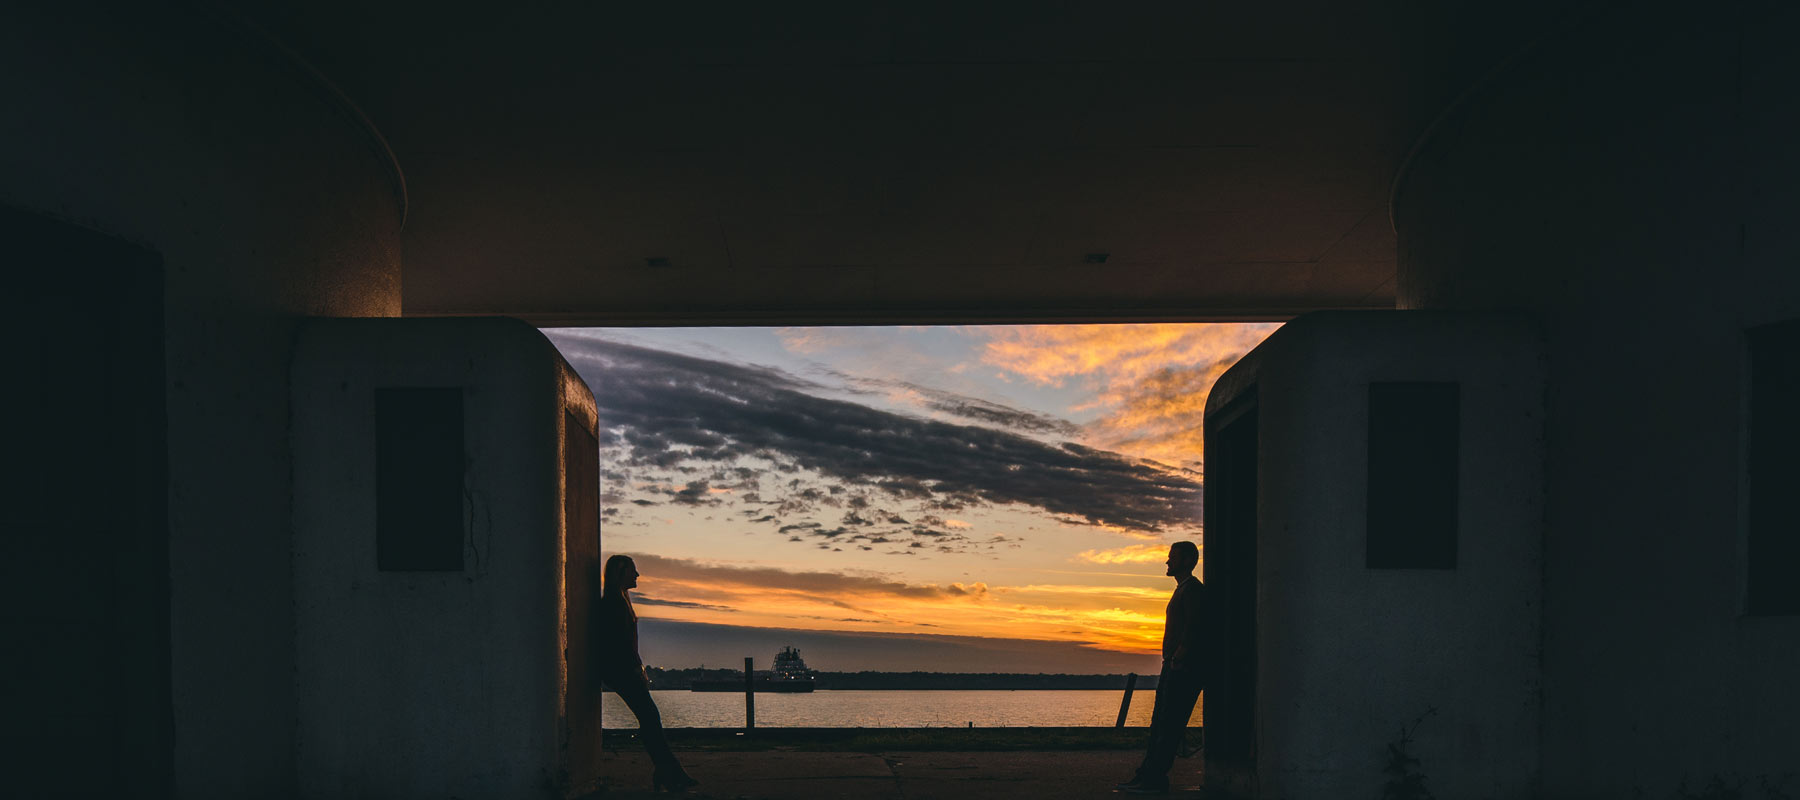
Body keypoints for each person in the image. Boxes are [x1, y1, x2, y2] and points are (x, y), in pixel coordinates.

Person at [597, 554, 698, 792]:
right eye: (633, 570)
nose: (637, 575)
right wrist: (636, 669)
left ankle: (668, 771)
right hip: (622, 671)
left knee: (650, 719)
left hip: (624, 670)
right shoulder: (613, 604)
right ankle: (669, 772)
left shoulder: (620, 601)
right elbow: (619, 644)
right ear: (620, 574)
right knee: (650, 718)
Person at [1117, 541, 1207, 794]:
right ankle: (1146, 775)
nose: (1167, 562)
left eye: (1173, 557)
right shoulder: (1183, 589)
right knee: (1159, 723)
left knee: (1169, 725)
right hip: (1174, 665)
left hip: (1183, 668)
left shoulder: (1192, 590)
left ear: (1188, 560)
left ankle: (1154, 780)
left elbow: (1194, 627)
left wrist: (1179, 657)